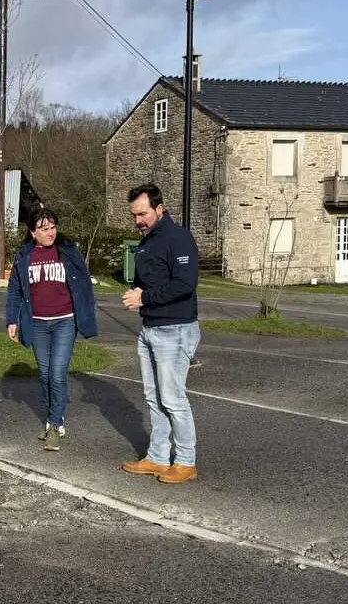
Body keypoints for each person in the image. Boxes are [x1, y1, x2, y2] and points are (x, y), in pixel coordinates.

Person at [120, 183, 202, 484]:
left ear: (159, 208)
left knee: (173, 398)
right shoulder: (147, 242)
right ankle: (157, 456)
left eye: (142, 213)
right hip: (151, 328)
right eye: (134, 215)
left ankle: (185, 460)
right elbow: (150, 283)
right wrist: (138, 293)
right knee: (154, 398)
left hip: (175, 330)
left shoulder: (177, 238)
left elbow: (184, 284)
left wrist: (144, 298)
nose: (138, 220)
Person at [5, 207, 98, 452]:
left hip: (64, 321)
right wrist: (11, 320)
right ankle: (51, 419)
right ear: (33, 232)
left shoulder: (67, 250)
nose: (50, 233)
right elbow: (15, 290)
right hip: (36, 323)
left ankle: (56, 425)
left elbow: (84, 283)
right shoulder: (24, 255)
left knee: (57, 373)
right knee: (45, 375)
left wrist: (86, 312)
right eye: (44, 229)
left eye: (53, 227)